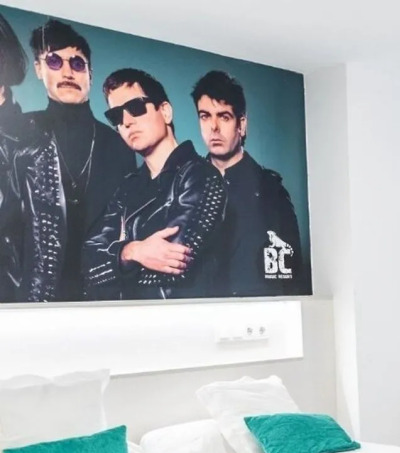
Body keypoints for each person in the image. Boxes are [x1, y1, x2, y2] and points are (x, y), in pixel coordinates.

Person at [83, 68, 226, 300]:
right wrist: (134, 251)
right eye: (116, 116)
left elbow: (173, 267)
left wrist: (116, 262)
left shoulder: (201, 176)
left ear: (165, 111)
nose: (126, 122)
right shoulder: (126, 189)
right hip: (129, 320)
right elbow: (88, 267)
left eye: (136, 107)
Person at [25, 20, 136, 301]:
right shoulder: (20, 135)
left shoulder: (119, 145)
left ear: (90, 74)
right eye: (54, 61)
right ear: (38, 69)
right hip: (30, 299)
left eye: (77, 63)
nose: (67, 72)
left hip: (101, 298)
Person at [190, 70, 306, 297]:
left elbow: (291, 276)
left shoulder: (270, 190)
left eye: (224, 116)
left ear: (241, 124)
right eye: (205, 116)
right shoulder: (186, 186)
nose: (214, 127)